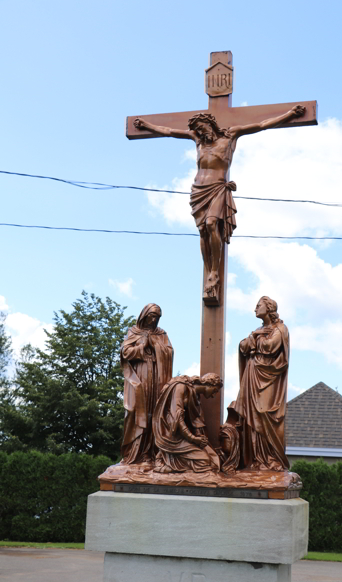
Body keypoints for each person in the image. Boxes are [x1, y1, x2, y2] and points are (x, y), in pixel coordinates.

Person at [134, 105, 305, 296]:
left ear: (211, 124)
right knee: (203, 231)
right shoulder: (197, 140)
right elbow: (169, 131)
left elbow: (262, 124)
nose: (200, 132)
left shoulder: (230, 136)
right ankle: (208, 270)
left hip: (217, 188)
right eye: (197, 129)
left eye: (202, 127)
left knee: (212, 223)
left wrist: (290, 114)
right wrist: (147, 125)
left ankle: (215, 270)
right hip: (198, 190)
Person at [227, 296, 290, 471]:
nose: (255, 309)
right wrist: (253, 338)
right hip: (252, 375)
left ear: (269, 308)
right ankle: (256, 460)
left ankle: (272, 459)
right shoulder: (257, 330)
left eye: (258, 306)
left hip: (269, 377)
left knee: (264, 413)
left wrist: (255, 340)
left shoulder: (281, 328)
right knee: (251, 415)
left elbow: (271, 346)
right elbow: (243, 346)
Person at [120, 303, 173, 466]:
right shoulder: (133, 332)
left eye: (157, 317)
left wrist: (156, 345)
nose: (154, 319)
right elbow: (125, 352)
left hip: (157, 376)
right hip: (140, 376)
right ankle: (134, 453)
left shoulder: (161, 333)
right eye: (152, 315)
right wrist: (143, 346)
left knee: (155, 411)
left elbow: (169, 352)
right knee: (137, 411)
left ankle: (151, 453)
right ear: (144, 315)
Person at [153, 373, 222, 473]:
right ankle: (166, 462)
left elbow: (195, 420)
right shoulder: (180, 387)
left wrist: (199, 437)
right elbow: (176, 417)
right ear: (208, 384)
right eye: (215, 391)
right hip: (169, 434)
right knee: (204, 461)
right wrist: (193, 439)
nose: (213, 395)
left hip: (182, 434)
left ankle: (167, 460)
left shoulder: (195, 396)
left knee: (214, 460)